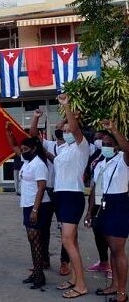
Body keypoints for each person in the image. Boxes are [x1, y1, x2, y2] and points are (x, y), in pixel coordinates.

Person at [53, 94, 89, 299]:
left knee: (67, 241)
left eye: (69, 131)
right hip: (61, 195)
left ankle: (81, 285)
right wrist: (66, 120)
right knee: (72, 241)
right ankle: (75, 278)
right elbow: (60, 127)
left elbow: (74, 130)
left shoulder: (81, 147)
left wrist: (66, 106)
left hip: (72, 195)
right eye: (64, 131)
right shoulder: (64, 148)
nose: (66, 132)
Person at [6, 126, 51, 289]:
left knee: (36, 240)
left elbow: (41, 187)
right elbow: (14, 147)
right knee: (32, 240)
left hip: (37, 206)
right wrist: (9, 134)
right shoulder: (27, 161)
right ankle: (36, 272)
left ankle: (40, 276)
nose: (23, 151)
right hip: (28, 205)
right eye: (23, 149)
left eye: (26, 149)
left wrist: (34, 210)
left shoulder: (39, 164)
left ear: (33, 149)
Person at [89, 121, 129, 302]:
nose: (105, 147)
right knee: (112, 250)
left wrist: (114, 129)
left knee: (118, 250)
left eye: (109, 144)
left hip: (119, 203)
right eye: (103, 144)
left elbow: (128, 148)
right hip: (103, 204)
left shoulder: (123, 159)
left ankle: (121, 292)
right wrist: (90, 211)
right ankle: (113, 285)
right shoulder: (100, 163)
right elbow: (95, 187)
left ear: (116, 146)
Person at [30, 109, 68, 273]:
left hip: (63, 193)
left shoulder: (74, 147)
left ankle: (64, 262)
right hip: (48, 192)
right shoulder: (49, 144)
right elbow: (33, 135)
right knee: (43, 228)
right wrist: (36, 118)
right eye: (59, 128)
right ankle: (44, 259)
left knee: (65, 229)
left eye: (64, 128)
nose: (60, 129)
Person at [84, 130, 110, 273]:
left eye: (102, 139)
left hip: (111, 198)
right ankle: (104, 261)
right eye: (98, 139)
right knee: (97, 229)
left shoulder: (118, 158)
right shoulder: (97, 156)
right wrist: (89, 210)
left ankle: (113, 265)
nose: (99, 142)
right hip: (97, 196)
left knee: (110, 233)